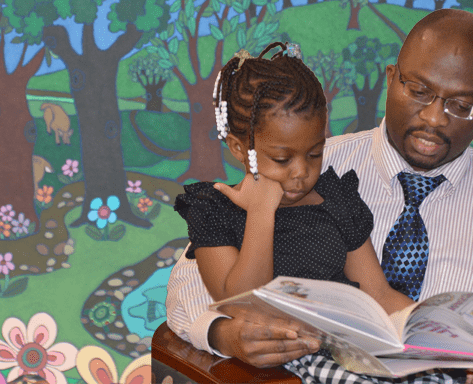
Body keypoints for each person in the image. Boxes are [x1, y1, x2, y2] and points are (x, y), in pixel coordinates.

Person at [166, 9, 473, 384]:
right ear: (391, 77)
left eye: (462, 106)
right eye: (418, 90)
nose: (434, 117)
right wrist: (227, 334)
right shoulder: (313, 170)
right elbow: (189, 290)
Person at [174, 41, 416, 322]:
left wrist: (438, 330)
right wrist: (261, 212)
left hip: (344, 348)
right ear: (239, 148)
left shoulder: (337, 200)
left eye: (315, 153)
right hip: (268, 360)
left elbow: (380, 296)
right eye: (282, 159)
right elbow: (241, 306)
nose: (301, 171)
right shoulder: (215, 212)